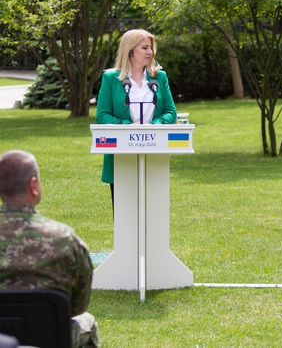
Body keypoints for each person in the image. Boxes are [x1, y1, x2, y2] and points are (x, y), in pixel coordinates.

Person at [0, 150, 99, 348]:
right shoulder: (65, 239)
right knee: (87, 321)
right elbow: (78, 306)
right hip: (51, 337)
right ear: (33, 185)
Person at [96, 29, 177, 207]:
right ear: (130, 51)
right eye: (145, 48)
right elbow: (102, 116)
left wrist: (152, 125)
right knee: (125, 216)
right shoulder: (111, 78)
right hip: (121, 157)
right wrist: (130, 126)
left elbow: (171, 112)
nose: (151, 52)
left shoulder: (159, 77)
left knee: (153, 212)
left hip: (154, 153)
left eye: (151, 48)